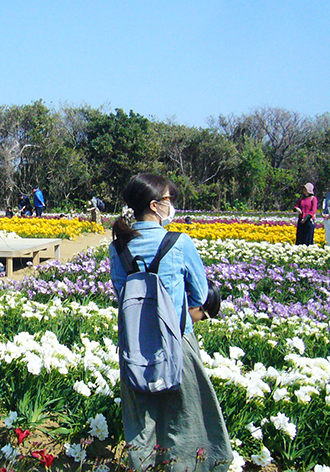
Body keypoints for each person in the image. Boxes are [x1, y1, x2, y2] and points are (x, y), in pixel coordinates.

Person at [109, 173, 232, 471]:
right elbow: (201, 294)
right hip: (177, 340)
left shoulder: (118, 247)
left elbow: (120, 290)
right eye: (168, 199)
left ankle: (146, 465)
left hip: (134, 345)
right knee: (185, 412)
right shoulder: (178, 242)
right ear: (154, 205)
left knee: (142, 416)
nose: (171, 204)